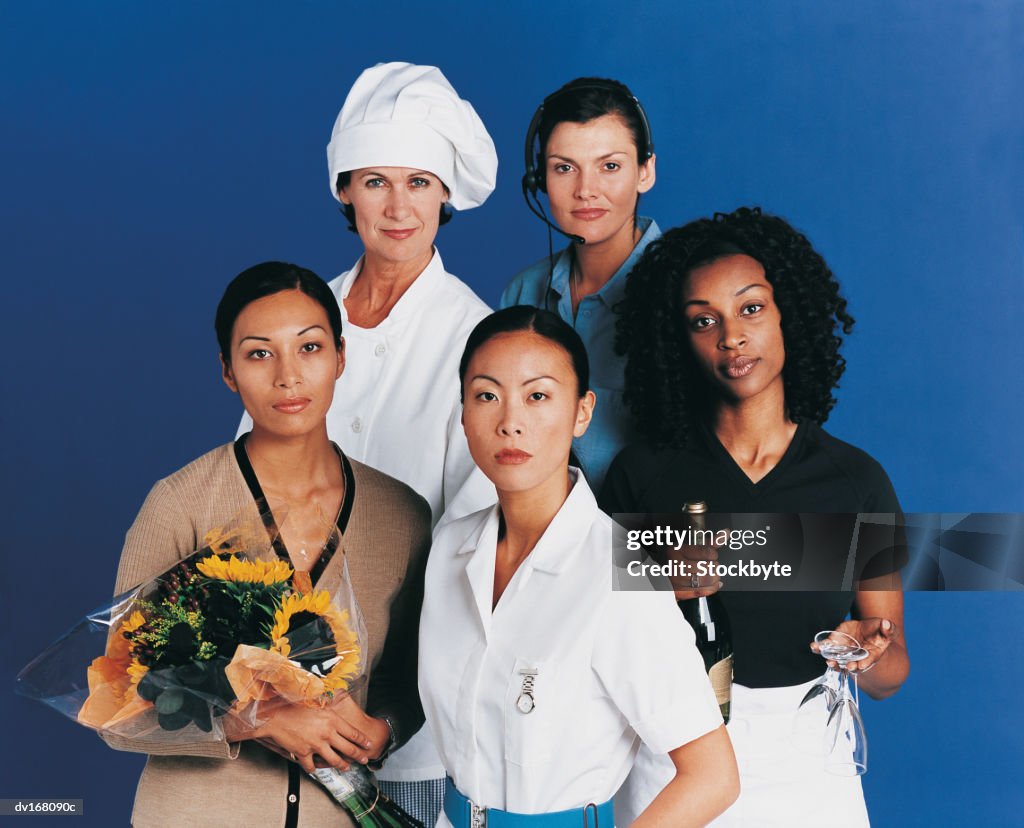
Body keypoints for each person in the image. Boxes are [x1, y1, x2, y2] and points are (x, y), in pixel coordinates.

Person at [237, 62, 499, 821]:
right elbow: (242, 489)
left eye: (419, 182)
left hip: (392, 721)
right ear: (343, 189)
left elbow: (471, 551)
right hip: (270, 709)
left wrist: (388, 711)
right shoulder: (298, 314)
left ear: (446, 194)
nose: (397, 206)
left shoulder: (474, 338)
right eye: (375, 181)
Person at [602, 208, 910, 826]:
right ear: (676, 340)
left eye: (750, 309)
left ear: (787, 314)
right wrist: (660, 587)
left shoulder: (855, 482)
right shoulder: (646, 476)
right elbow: (594, 634)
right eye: (703, 321)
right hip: (677, 759)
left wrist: (865, 653)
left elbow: (892, 667)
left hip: (810, 766)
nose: (731, 338)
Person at [110, 262, 432, 827]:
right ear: (228, 372)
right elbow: (117, 702)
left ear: (340, 356)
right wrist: (254, 720)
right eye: (260, 353)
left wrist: (383, 729)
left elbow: (407, 683)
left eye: (309, 348)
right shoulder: (181, 503)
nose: (288, 376)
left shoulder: (400, 514)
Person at [419, 306, 740, 828]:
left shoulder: (622, 577)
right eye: (486, 395)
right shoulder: (450, 548)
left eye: (538, 395)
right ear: (463, 413)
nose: (510, 421)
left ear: (582, 412)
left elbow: (713, 776)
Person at [501, 77, 659, 493]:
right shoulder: (523, 292)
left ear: (645, 171)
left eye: (610, 166)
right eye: (564, 168)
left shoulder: (692, 292)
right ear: (538, 180)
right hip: (538, 537)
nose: (586, 190)